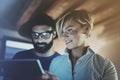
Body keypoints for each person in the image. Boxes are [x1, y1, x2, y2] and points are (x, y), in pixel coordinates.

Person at [43, 10, 118, 80]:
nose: (64, 36)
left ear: (86, 29)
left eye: (69, 30)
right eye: (62, 32)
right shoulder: (55, 63)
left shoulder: (104, 65)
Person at [12, 13, 60, 80]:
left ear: (54, 34)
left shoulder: (64, 63)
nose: (39, 40)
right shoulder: (19, 57)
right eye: (35, 35)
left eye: (45, 35)